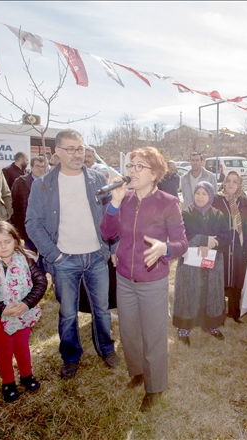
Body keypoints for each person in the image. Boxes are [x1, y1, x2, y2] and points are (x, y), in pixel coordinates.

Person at [26, 129, 119, 379]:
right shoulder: (43, 184)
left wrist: (111, 248)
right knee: (68, 312)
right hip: (64, 260)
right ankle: (70, 356)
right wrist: (54, 255)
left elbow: (113, 216)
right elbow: (32, 223)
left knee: (101, 309)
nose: (78, 154)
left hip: (97, 257)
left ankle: (106, 349)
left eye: (80, 148)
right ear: (57, 152)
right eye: (71, 149)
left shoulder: (98, 179)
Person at [101, 146, 187, 412]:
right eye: (130, 166)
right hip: (125, 278)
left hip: (152, 281)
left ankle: (155, 387)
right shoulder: (123, 198)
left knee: (154, 336)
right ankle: (137, 372)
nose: (133, 171)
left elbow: (182, 242)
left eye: (140, 166)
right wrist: (114, 203)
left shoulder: (168, 202)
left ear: (155, 173)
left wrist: (166, 248)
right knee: (128, 332)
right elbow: (107, 232)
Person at [0, 221, 47, 402]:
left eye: (7, 241)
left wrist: (27, 303)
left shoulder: (26, 259)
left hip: (23, 314)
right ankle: (8, 382)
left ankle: (26, 375)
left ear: (15, 240)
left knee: (21, 346)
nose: (3, 247)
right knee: (4, 350)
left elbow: (40, 283)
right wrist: (1, 309)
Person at [173, 182, 231, 342]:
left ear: (210, 196)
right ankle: (184, 327)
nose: (200, 196)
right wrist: (203, 240)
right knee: (189, 292)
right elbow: (181, 236)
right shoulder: (185, 214)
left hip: (212, 262)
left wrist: (214, 242)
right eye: (197, 193)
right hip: (190, 264)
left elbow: (227, 236)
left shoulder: (218, 215)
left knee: (210, 293)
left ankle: (210, 324)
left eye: (204, 194)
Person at [212, 171, 247, 323]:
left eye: (235, 181)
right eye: (229, 181)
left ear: (239, 184)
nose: (231, 184)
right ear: (224, 183)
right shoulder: (216, 201)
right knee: (220, 281)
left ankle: (234, 312)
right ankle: (218, 313)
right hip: (222, 250)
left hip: (241, 250)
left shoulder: (246, 203)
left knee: (237, 282)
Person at [11, 155, 46, 253]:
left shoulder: (51, 182)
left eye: (43, 166)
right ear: (31, 167)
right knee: (30, 254)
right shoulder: (20, 182)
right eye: (37, 166)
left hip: (46, 227)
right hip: (27, 225)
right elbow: (14, 204)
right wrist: (17, 225)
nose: (40, 169)